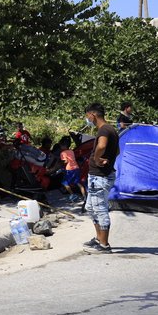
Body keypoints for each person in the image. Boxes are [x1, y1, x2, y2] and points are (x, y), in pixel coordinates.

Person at [83, 102, 120, 254]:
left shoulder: (104, 130)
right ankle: (99, 239)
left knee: (100, 209)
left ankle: (104, 245)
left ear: (93, 115)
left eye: (87, 116)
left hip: (100, 176)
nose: (87, 119)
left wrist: (98, 159)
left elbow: (102, 146)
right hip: (97, 176)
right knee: (90, 207)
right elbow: (117, 151)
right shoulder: (111, 129)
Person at [58, 136, 85, 203]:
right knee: (78, 183)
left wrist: (60, 162)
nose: (60, 147)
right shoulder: (71, 151)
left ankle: (72, 195)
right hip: (76, 168)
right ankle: (85, 196)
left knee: (65, 183)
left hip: (69, 170)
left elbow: (65, 161)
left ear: (63, 146)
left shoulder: (63, 153)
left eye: (60, 146)